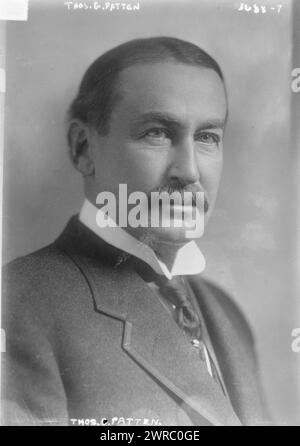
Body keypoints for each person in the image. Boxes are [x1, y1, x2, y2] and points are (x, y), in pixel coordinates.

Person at [1, 37, 269, 426]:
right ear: (83, 148)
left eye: (207, 137)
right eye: (157, 133)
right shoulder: (19, 304)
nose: (190, 171)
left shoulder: (227, 314)